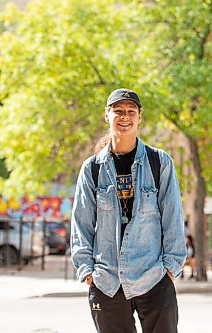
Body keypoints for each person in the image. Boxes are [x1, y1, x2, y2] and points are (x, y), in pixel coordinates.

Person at [71, 88, 187, 333]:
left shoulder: (160, 162)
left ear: (139, 117)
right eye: (118, 111)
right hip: (108, 280)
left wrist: (171, 268)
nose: (124, 116)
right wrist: (88, 271)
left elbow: (173, 217)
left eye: (130, 111)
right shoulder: (92, 168)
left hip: (153, 276)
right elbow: (81, 223)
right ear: (107, 115)